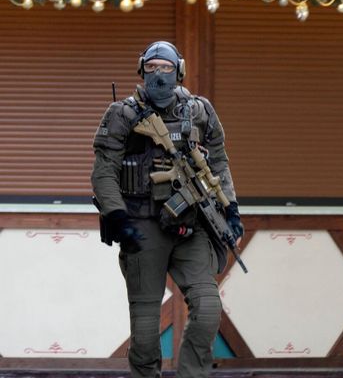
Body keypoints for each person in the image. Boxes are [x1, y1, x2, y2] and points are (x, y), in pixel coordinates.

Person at [91, 41, 244, 377]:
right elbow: (104, 171)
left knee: (207, 308)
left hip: (192, 225)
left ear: (179, 71)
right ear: (142, 69)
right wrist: (117, 216)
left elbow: (218, 162)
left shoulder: (199, 110)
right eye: (151, 68)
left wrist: (230, 207)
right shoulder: (123, 114)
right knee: (145, 330)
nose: (158, 74)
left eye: (166, 67)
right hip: (142, 227)